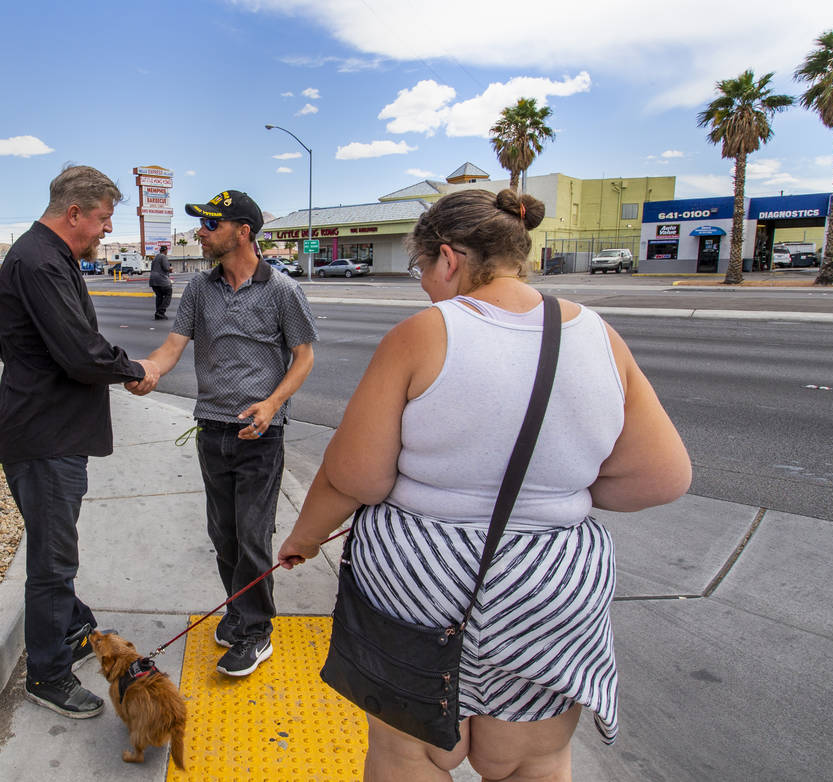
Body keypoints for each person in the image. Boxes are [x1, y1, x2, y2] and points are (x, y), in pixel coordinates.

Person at [278, 189, 691, 781]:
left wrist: (305, 538)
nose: (424, 284)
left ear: (449, 258)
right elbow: (663, 476)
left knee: (408, 754)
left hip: (418, 576)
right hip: (549, 583)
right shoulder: (599, 335)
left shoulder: (424, 332)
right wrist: (554, 499)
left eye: (423, 268)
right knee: (534, 758)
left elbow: (356, 476)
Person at [0, 165, 160, 719]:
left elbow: (72, 342)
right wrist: (133, 369)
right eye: (104, 219)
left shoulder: (46, 256)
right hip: (43, 436)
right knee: (52, 562)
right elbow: (79, 352)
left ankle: (74, 622)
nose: (107, 230)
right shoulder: (39, 262)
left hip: (48, 429)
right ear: (74, 213)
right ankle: (47, 674)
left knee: (54, 547)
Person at [142, 189, 318, 677]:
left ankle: (256, 631)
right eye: (201, 224)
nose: (201, 231)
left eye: (211, 224)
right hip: (212, 430)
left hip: (260, 435)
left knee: (253, 538)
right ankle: (240, 612)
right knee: (223, 536)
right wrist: (147, 371)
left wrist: (274, 402)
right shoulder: (200, 290)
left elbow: (303, 356)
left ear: (242, 231)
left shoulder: (282, 290)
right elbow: (173, 347)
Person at [150, 244, 173, 319]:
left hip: (153, 280)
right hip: (161, 279)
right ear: (165, 251)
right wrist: (170, 269)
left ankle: (158, 314)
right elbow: (166, 268)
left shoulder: (155, 258)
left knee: (159, 296)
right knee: (168, 293)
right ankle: (160, 311)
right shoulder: (163, 257)